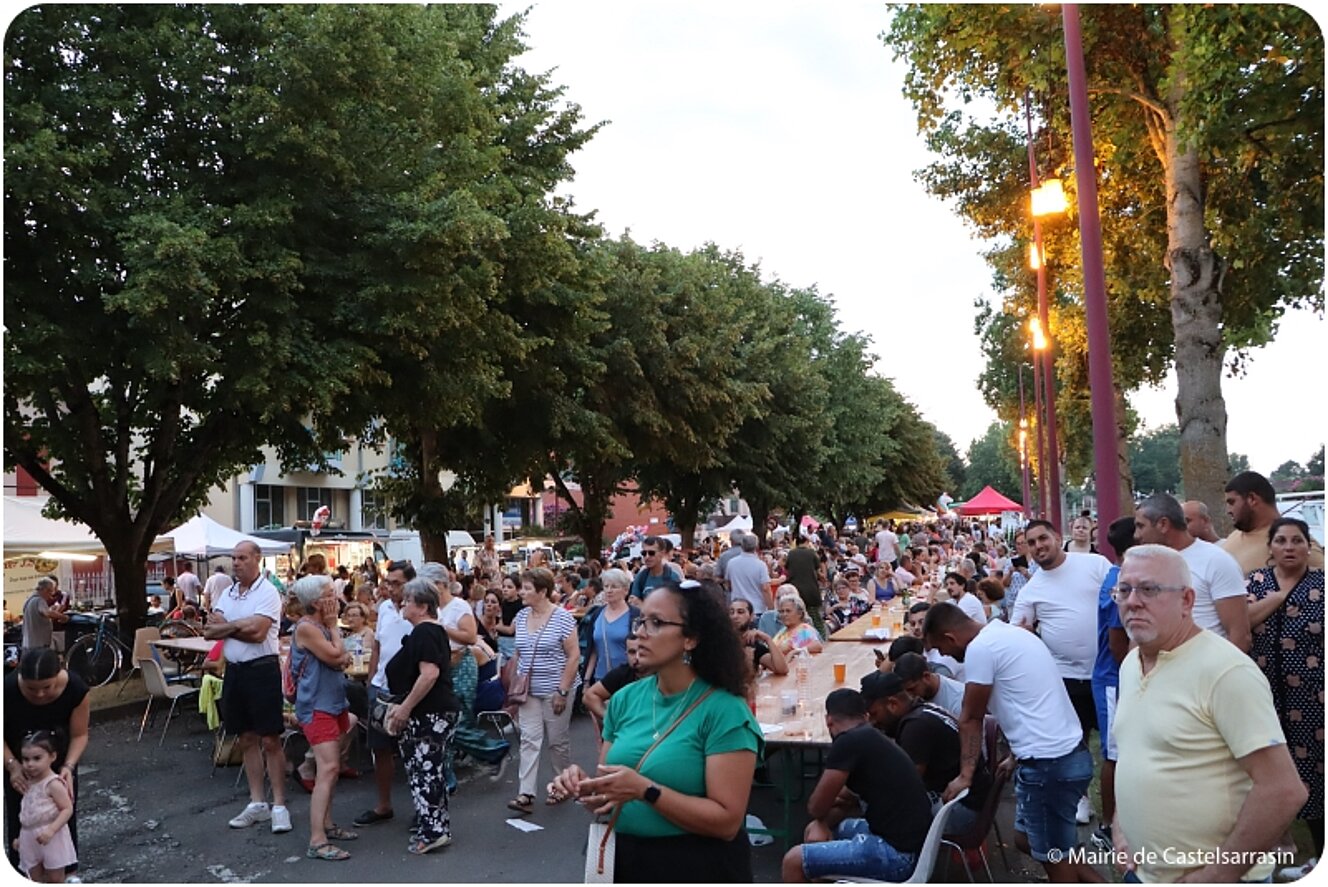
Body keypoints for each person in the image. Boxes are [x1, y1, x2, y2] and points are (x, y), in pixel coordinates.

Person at [1110, 544, 1307, 882]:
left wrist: (1217, 874)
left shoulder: (1226, 672)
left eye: (1149, 589)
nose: (1133, 601)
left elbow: (1283, 790)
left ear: (1187, 600)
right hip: (1143, 872)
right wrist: (1121, 826)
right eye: (1124, 590)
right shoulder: (1132, 663)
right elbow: (1135, 754)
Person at [550, 580, 763, 882]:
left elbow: (727, 822)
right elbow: (609, 792)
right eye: (641, 621)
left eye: (656, 623)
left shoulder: (725, 710)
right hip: (626, 862)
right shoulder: (625, 699)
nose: (640, 632)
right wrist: (584, 785)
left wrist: (645, 790)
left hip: (699, 866)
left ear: (690, 639)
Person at [924, 602, 1100, 883]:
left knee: (1054, 857)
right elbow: (1032, 701)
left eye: (941, 649)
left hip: (1048, 766)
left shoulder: (981, 648)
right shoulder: (1012, 634)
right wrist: (1015, 756)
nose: (945, 656)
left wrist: (965, 776)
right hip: (1067, 755)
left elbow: (971, 717)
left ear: (950, 637)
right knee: (1027, 840)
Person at [1011, 519, 1110, 826]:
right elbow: (1018, 633)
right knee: (1075, 743)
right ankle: (1082, 799)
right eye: (1032, 542)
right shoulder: (1031, 590)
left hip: (1106, 671)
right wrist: (1026, 634)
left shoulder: (1095, 564)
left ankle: (1117, 810)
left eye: (1043, 538)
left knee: (1116, 743)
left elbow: (1120, 598)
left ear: (1057, 537)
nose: (1038, 546)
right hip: (1064, 677)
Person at [781, 688, 932, 882]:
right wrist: (822, 822)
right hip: (914, 847)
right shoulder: (872, 737)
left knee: (794, 861)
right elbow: (844, 799)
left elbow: (816, 807)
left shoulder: (848, 742)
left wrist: (820, 817)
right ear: (866, 716)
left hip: (898, 856)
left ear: (828, 721)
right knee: (820, 831)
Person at [1246, 517, 1324, 873]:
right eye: (1281, 541)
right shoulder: (1255, 583)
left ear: (1308, 546)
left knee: (1317, 772)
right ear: (1270, 548)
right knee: (1267, 770)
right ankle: (1271, 847)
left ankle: (1320, 857)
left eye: (1297, 540)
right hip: (1263, 696)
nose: (1289, 547)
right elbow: (1241, 621)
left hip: (1314, 698)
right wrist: (1278, 598)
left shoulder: (1322, 585)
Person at [204, 540, 291, 834]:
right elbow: (211, 629)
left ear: (257, 559)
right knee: (246, 738)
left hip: (262, 669)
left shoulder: (267, 592)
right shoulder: (228, 592)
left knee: (270, 739)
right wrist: (240, 625)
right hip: (235, 671)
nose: (236, 563)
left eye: (242, 557)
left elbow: (259, 633)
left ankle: (279, 805)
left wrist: (229, 626)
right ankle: (257, 803)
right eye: (234, 558)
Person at [383, 578, 462, 855]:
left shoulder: (426, 632)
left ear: (423, 606)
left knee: (425, 772)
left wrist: (405, 708)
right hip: (430, 711)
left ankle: (433, 832)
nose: (403, 603)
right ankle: (433, 827)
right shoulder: (428, 631)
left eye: (408, 600)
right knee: (426, 771)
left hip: (430, 713)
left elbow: (429, 674)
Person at [860, 671, 987, 834]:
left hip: (961, 811)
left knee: (869, 799)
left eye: (874, 714)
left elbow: (906, 786)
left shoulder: (916, 727)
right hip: (970, 801)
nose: (872, 722)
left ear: (893, 704)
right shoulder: (922, 709)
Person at [287, 575, 358, 861]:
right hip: (317, 706)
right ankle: (317, 840)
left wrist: (338, 652)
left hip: (332, 702)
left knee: (330, 767)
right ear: (316, 602)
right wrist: (334, 629)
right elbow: (335, 655)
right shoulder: (308, 628)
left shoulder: (320, 627)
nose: (335, 598)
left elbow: (340, 658)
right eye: (329, 594)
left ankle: (327, 824)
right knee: (328, 768)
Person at [4, 648, 89, 878]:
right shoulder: (7, 690)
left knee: (62, 814)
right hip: (19, 763)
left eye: (47, 687)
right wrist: (12, 765)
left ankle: (65, 873)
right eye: (31, 689)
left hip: (59, 766)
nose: (40, 694)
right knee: (21, 814)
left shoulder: (75, 689)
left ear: (59, 674)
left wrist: (69, 766)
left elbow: (80, 734)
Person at [1133, 492, 1251, 651]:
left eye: (1141, 526)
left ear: (1163, 524)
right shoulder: (1144, 564)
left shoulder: (1216, 560)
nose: (1136, 535)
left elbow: (1240, 635)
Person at [506, 567, 580, 815]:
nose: (521, 592)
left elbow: (573, 656)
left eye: (527, 588)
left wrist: (563, 690)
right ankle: (526, 793)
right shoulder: (521, 616)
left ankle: (562, 785)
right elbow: (519, 651)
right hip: (529, 690)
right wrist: (515, 680)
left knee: (557, 742)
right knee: (529, 739)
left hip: (556, 688)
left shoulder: (562, 618)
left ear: (542, 591)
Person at [354, 561, 415, 828]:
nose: (390, 588)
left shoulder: (420, 610)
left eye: (396, 583)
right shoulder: (385, 609)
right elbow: (378, 646)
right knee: (380, 749)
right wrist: (371, 680)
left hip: (408, 690)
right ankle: (383, 805)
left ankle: (423, 808)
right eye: (388, 582)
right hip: (381, 689)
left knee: (414, 751)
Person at [1087, 517, 1134, 853]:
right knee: (1115, 754)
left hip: (1115, 677)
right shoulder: (1120, 582)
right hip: (1113, 680)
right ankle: (1106, 827)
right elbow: (1118, 643)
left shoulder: (1119, 577)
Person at [1223, 471, 1326, 574]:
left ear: (1252, 499)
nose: (1228, 511)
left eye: (1232, 502)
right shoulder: (1234, 536)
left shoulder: (1295, 544)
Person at [14, 731, 76, 883]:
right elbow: (28, 810)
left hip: (51, 835)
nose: (30, 764)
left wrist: (52, 830)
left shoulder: (53, 784)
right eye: (25, 759)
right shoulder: (27, 782)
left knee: (55, 878)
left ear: (52, 757)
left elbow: (67, 809)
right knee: (33, 876)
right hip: (29, 835)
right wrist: (22, 836)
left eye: (37, 758)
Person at [892, 652, 965, 718]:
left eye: (912, 689)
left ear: (926, 676)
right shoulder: (916, 697)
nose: (910, 696)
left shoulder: (959, 700)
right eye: (905, 691)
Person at [729, 599, 788, 676]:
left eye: (740, 612)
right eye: (731, 612)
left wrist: (767, 639)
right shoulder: (719, 641)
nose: (735, 616)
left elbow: (782, 669)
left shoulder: (753, 645)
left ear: (751, 617)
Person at [784, 535, 824, 636]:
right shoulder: (812, 553)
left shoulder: (791, 553)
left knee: (797, 619)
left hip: (795, 590)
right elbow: (818, 571)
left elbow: (786, 569)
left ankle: (801, 638)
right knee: (816, 619)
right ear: (806, 542)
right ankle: (821, 638)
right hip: (811, 591)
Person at [727, 533, 773, 616]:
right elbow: (765, 588)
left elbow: (729, 584)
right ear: (756, 547)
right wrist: (771, 608)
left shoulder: (731, 563)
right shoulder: (760, 565)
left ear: (742, 546)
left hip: (737, 607)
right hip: (757, 608)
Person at [21, 578, 68, 652]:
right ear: (46, 590)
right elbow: (47, 613)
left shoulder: (28, 600)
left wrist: (50, 609)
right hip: (39, 644)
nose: (51, 596)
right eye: (51, 592)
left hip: (28, 643)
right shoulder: (39, 600)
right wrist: (63, 617)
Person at [629, 536, 683, 601]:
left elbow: (677, 604)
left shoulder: (672, 578)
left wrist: (642, 605)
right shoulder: (641, 577)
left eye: (651, 553)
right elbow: (633, 602)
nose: (647, 557)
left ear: (662, 554)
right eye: (644, 553)